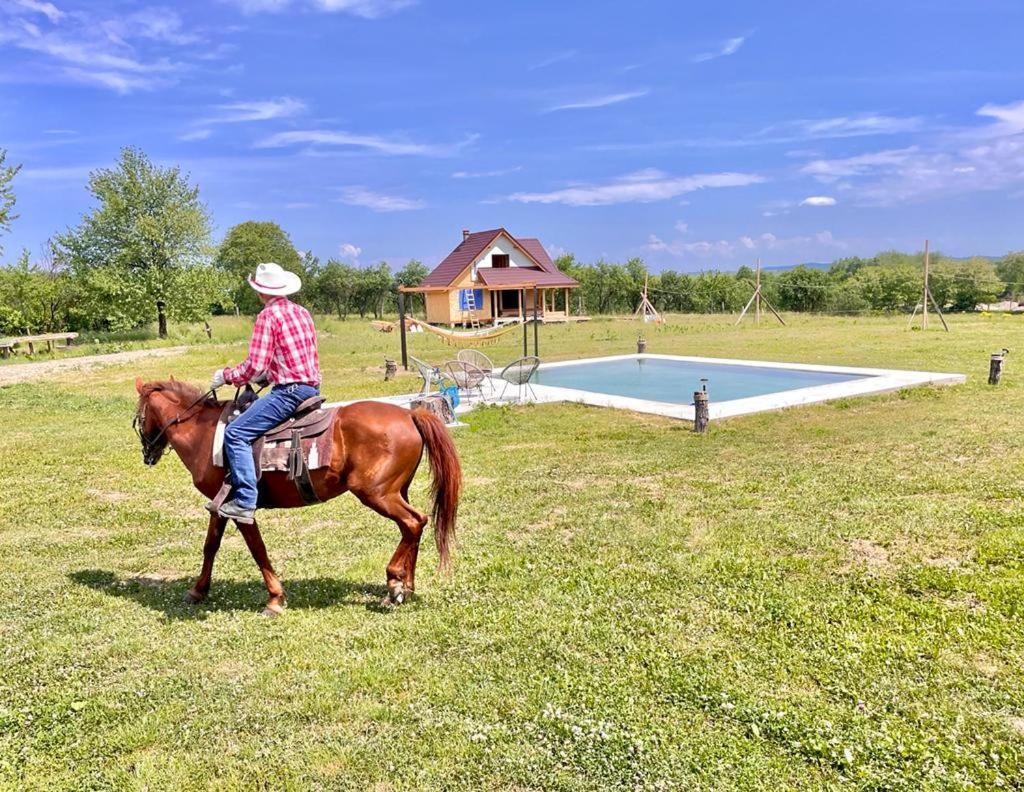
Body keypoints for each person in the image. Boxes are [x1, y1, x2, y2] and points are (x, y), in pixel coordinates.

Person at [211, 262, 322, 523]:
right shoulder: (301, 312)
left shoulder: (267, 316)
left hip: (289, 392)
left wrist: (227, 376)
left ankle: (245, 501)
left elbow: (255, 364)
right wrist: (268, 375)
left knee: (236, 433)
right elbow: (297, 356)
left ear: (261, 292)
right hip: (311, 387)